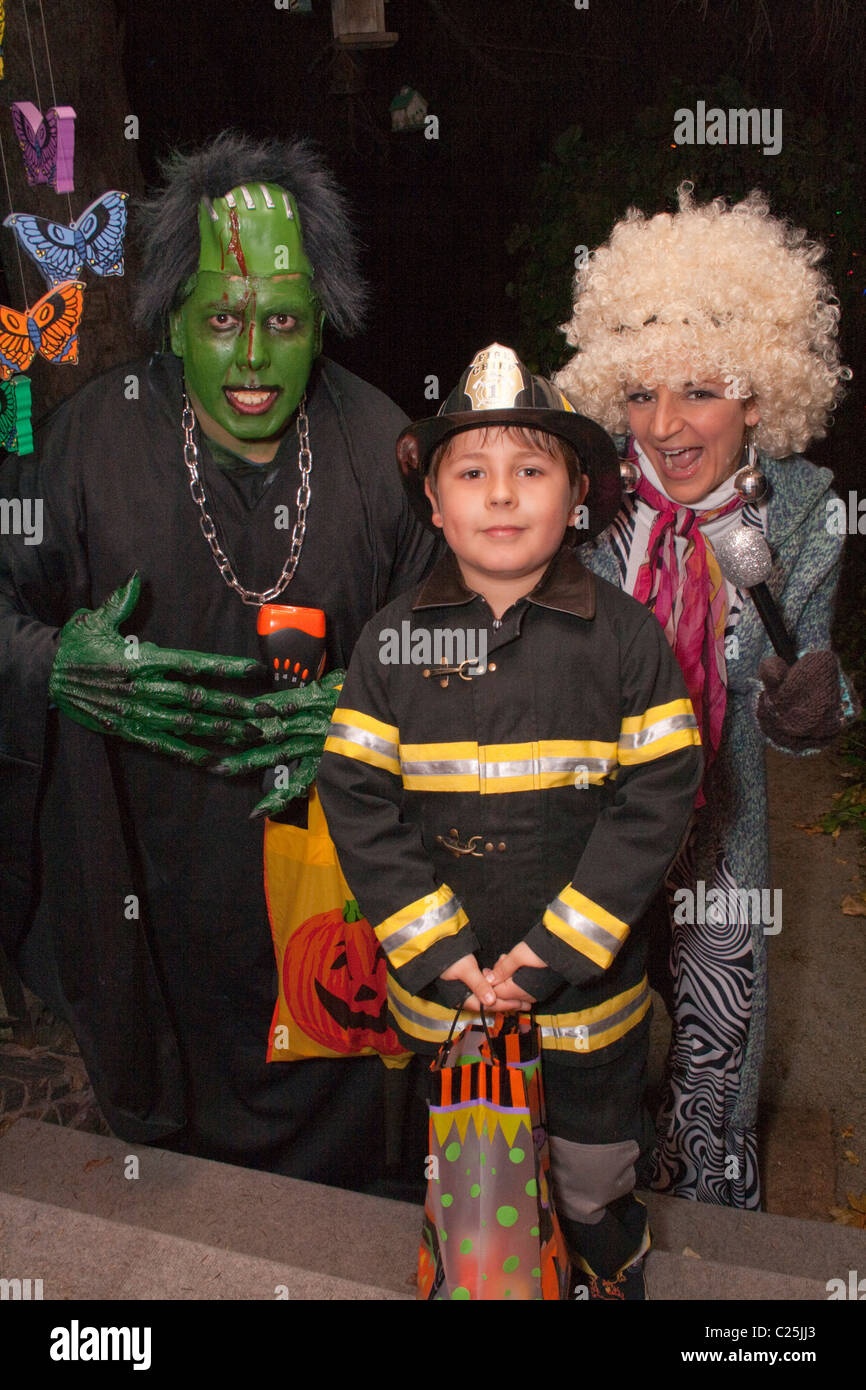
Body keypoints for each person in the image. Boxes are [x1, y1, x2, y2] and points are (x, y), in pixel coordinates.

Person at [0, 132, 438, 1186]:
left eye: (282, 322)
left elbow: (462, 655)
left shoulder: (385, 451)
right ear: (173, 318)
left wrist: (372, 713)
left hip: (325, 909)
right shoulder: (88, 443)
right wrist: (53, 663)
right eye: (222, 319)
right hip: (141, 886)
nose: (251, 360)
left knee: (345, 1187)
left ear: (321, 317)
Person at [316, 343, 703, 1297]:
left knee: (592, 1177)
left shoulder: (628, 641)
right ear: (435, 504)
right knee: (467, 1178)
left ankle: (607, 1273)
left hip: (581, 1001)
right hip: (447, 1004)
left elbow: (659, 799)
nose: (501, 495)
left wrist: (549, 955)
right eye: (472, 472)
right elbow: (355, 796)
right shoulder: (389, 643)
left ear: (577, 496)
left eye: (531, 470)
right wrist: (438, 949)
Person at [555, 183, 857, 1209]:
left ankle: (710, 1267)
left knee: (714, 1066)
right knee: (573, 1056)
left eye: (700, 390)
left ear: (760, 395)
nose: (667, 425)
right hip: (580, 818)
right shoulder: (577, 491)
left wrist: (818, 709)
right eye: (639, 393)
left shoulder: (806, 512)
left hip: (716, 820)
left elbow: (808, 675)